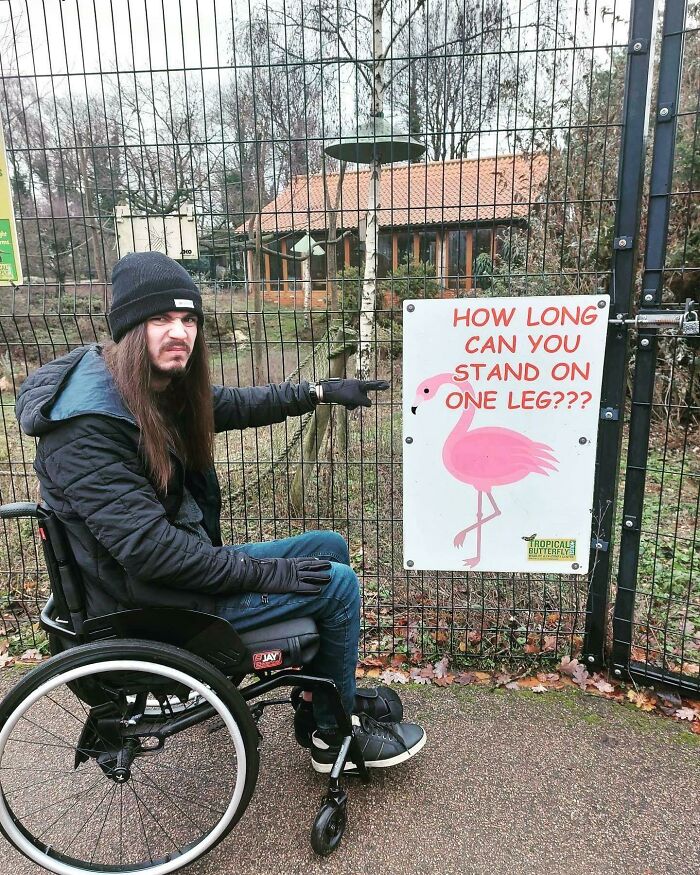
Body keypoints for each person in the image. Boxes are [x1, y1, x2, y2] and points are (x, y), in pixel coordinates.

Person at [16, 250, 426, 773]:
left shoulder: (135, 386)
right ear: (127, 327)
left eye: (188, 319)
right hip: (147, 607)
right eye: (160, 319)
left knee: (329, 547)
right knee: (336, 583)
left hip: (161, 583)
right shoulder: (88, 429)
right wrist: (268, 573)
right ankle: (331, 734)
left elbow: (227, 403)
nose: (179, 332)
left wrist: (317, 392)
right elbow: (152, 552)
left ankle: (314, 696)